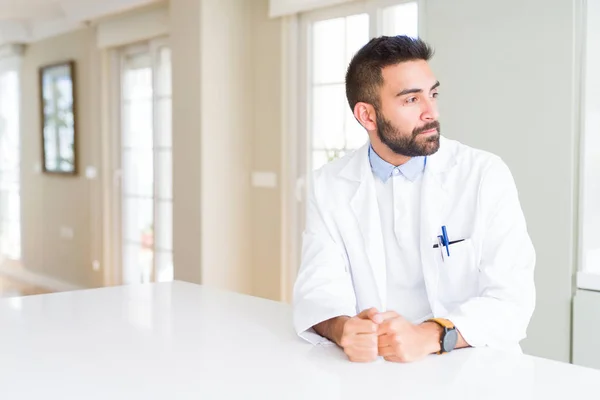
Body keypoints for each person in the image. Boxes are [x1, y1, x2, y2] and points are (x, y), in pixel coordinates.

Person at [292, 35, 536, 363]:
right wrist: (344, 329)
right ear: (367, 116)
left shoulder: (484, 175)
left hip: (473, 365)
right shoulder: (329, 185)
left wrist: (430, 335)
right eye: (411, 100)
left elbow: (512, 300)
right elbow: (318, 289)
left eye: (432, 94)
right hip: (375, 371)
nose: (431, 112)